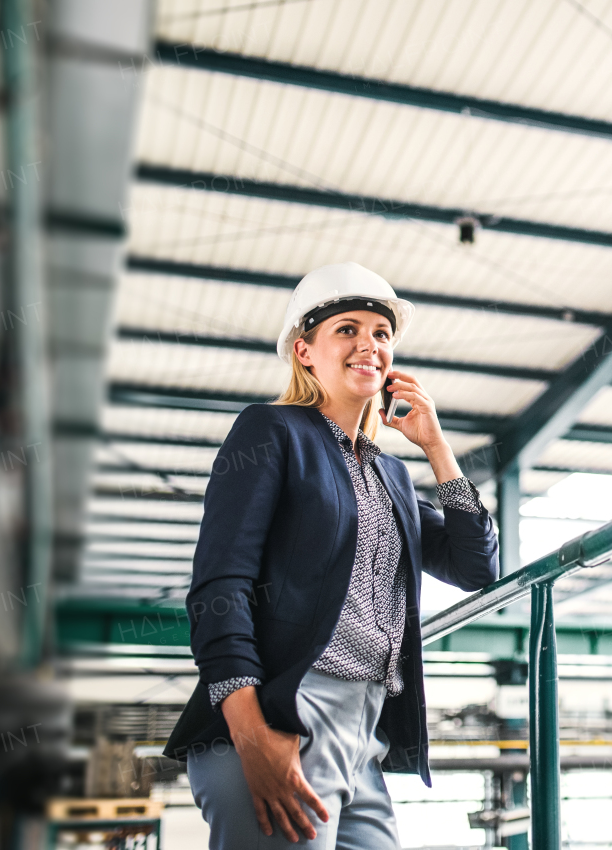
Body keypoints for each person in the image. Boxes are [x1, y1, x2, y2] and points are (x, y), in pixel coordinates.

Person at [163, 262, 499, 849]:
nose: (369, 344)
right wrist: (252, 736)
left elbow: (477, 567)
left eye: (381, 333)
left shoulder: (389, 473)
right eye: (347, 329)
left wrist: (437, 446)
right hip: (280, 716)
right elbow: (220, 587)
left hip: (364, 734)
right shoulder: (271, 432)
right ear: (304, 350)